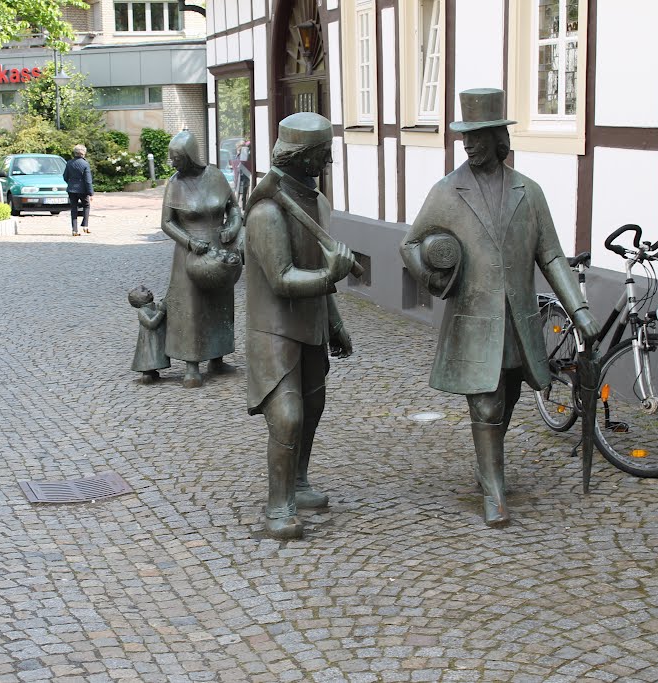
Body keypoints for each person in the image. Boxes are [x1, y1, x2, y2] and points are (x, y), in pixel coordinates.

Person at [399, 88, 601, 527]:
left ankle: (484, 463)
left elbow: (551, 256)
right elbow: (410, 244)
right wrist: (433, 277)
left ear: (497, 137)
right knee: (487, 404)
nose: (468, 144)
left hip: (518, 322)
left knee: (507, 398)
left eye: (476, 135)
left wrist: (580, 311)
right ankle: (494, 493)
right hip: (474, 321)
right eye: (464, 136)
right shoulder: (448, 191)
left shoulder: (529, 193)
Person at [244, 112, 356, 540]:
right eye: (323, 154)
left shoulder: (316, 203)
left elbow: (315, 272)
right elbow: (282, 279)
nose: (328, 161)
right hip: (274, 330)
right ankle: (278, 506)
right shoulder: (267, 213)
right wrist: (331, 276)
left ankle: (299, 481)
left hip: (311, 325)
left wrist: (335, 320)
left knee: (312, 409)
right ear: (303, 157)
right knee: (287, 417)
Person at [160, 131, 243, 388]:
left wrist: (234, 225)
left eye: (177, 158)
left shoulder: (216, 176)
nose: (173, 163)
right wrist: (189, 242)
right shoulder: (175, 183)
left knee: (219, 303)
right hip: (190, 252)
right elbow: (166, 222)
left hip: (219, 247)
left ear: (191, 157)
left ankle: (217, 357)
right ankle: (191, 365)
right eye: (172, 158)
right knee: (192, 308)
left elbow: (233, 207)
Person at [128, 285, 170, 384]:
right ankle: (147, 372)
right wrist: (161, 312)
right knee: (149, 354)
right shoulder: (142, 312)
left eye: (146, 289)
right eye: (144, 290)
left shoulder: (155, 307)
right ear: (138, 299)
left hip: (157, 338)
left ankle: (152, 370)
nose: (148, 290)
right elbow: (151, 324)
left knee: (155, 352)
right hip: (148, 341)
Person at [63, 144, 93, 236]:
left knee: (73, 209)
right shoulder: (85, 164)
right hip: (83, 190)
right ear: (83, 153)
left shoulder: (69, 163)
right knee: (86, 206)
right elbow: (88, 180)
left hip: (71, 189)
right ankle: (85, 226)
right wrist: (90, 192)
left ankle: (74, 230)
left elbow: (65, 177)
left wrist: (71, 183)